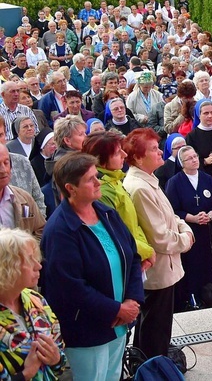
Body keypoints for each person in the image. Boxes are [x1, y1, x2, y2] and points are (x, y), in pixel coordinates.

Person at [40, 153, 143, 379]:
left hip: (118, 324)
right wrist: (116, 310)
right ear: (71, 188)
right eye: (90, 179)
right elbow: (70, 287)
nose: (98, 182)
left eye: (96, 176)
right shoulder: (60, 230)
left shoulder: (106, 212)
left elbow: (132, 257)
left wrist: (132, 300)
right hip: (87, 330)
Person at [122, 128, 194, 359]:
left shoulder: (148, 180)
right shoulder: (139, 187)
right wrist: (186, 238)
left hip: (165, 266)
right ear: (138, 157)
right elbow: (159, 237)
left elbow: (169, 216)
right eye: (153, 149)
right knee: (156, 329)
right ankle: (153, 369)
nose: (160, 152)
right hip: (158, 269)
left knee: (155, 325)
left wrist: (183, 227)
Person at [0, 228, 66, 380]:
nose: (39, 266)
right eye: (30, 260)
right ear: (7, 267)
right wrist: (26, 374)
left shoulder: (35, 300)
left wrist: (56, 359)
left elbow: (60, 360)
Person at [83, 130, 155, 265]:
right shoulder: (101, 191)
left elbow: (134, 224)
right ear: (101, 160)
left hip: (135, 255)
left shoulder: (115, 180)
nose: (125, 155)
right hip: (123, 261)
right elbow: (115, 236)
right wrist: (147, 252)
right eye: (117, 153)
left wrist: (145, 251)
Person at [166, 146, 212, 310]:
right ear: (182, 163)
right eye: (189, 158)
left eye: (195, 156)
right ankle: (192, 296)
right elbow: (172, 210)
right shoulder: (175, 182)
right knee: (192, 265)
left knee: (210, 263)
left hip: (208, 231)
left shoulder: (207, 178)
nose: (194, 160)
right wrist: (193, 218)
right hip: (189, 232)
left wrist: (210, 215)